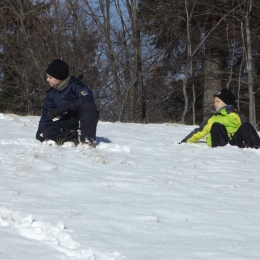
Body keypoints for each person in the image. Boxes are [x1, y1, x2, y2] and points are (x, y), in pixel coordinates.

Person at [36, 59, 99, 147]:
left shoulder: (75, 85)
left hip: (82, 119)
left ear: (59, 77)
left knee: (88, 105)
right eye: (47, 77)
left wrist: (68, 106)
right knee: (47, 132)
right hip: (68, 122)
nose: (47, 79)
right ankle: (73, 137)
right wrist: (40, 133)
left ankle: (87, 140)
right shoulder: (52, 93)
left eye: (50, 77)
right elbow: (47, 114)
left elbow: (88, 97)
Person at [180, 88, 260, 149]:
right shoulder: (212, 118)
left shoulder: (237, 115)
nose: (215, 104)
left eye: (217, 101)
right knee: (216, 126)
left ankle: (256, 149)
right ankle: (222, 150)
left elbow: (246, 132)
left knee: (246, 126)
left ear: (226, 102)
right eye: (215, 102)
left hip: (234, 143)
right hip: (219, 144)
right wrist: (183, 141)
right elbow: (199, 132)